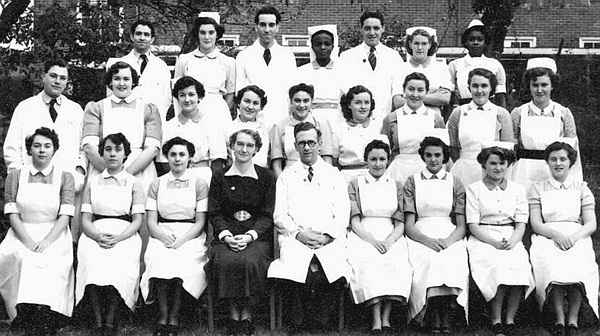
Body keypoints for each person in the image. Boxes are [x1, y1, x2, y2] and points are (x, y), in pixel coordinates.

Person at [268, 122, 350, 332]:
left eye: (311, 142)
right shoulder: (286, 176)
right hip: (297, 237)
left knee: (330, 267)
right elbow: (280, 214)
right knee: (296, 267)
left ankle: (320, 324)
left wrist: (327, 236)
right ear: (295, 145)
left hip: (328, 238)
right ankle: (298, 324)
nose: (306, 147)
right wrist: (299, 234)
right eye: (302, 143)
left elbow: (342, 213)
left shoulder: (334, 174)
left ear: (320, 144)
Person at [0, 127, 75, 335]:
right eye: (37, 146)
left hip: (55, 233)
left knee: (50, 260)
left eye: (47, 146)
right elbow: (12, 213)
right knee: (16, 256)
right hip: (22, 231)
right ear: (29, 150)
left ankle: (45, 316)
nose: (42, 150)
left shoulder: (65, 177)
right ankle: (22, 315)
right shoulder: (15, 176)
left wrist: (47, 241)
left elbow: (65, 215)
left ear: (54, 150)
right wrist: (28, 240)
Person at [3, 59, 86, 240]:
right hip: (33, 184)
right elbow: (11, 147)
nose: (58, 81)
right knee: (31, 236)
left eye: (63, 78)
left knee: (65, 238)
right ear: (43, 77)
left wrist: (78, 173)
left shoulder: (76, 110)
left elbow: (83, 148)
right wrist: (19, 177)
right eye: (53, 76)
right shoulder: (26, 107)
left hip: (67, 182)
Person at [75, 133, 145, 336]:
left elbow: (138, 220)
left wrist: (118, 238)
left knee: (118, 262)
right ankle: (98, 322)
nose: (113, 154)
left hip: (125, 234)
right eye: (108, 149)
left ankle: (111, 319)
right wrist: (96, 236)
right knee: (93, 259)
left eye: (118, 149)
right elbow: (85, 219)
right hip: (95, 232)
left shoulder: (133, 183)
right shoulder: (93, 182)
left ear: (125, 154)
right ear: (102, 153)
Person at [208, 129, 276, 336]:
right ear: (232, 146)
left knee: (249, 260)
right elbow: (215, 212)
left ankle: (246, 314)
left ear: (256, 150)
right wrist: (227, 236)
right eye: (240, 144)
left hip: (256, 237)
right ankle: (232, 314)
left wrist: (249, 236)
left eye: (249, 145)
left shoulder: (266, 177)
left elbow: (267, 214)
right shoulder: (220, 176)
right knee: (227, 260)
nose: (244, 149)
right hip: (227, 235)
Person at [141, 137, 209, 336]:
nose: (177, 159)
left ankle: (176, 315)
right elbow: (151, 221)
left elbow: (200, 221)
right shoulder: (157, 183)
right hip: (162, 233)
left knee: (182, 262)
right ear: (167, 157)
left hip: (191, 235)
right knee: (159, 259)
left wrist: (181, 240)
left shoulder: (199, 183)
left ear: (190, 158)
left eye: (182, 154)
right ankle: (163, 315)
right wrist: (163, 237)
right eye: (173, 154)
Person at [529, 142, 598, 336]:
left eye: (562, 159)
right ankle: (559, 318)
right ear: (547, 162)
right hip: (547, 235)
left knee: (578, 261)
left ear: (571, 162)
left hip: (577, 235)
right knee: (552, 262)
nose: (558, 163)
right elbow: (536, 223)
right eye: (553, 159)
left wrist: (574, 237)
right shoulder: (537, 188)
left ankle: (573, 319)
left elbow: (591, 224)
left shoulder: (581, 188)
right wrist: (556, 236)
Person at [403, 136, 469, 334]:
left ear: (444, 156)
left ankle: (446, 312)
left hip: (449, 233)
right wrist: (428, 241)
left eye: (437, 155)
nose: (433, 160)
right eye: (429, 155)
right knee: (428, 260)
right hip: (420, 233)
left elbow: (461, 225)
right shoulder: (412, 181)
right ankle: (430, 312)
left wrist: (448, 241)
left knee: (452, 257)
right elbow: (409, 225)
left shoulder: (454, 181)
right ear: (422, 156)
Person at [466, 146, 535, 336]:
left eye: (502, 163)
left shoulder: (518, 190)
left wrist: (513, 241)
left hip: (510, 234)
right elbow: (473, 224)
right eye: (493, 163)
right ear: (484, 165)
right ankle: (496, 318)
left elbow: (521, 222)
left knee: (518, 265)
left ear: (509, 165)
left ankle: (510, 319)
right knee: (497, 266)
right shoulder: (474, 189)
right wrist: (494, 243)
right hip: (483, 236)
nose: (497, 168)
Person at [346, 140, 411, 333]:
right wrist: (373, 241)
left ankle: (386, 317)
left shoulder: (396, 185)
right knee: (369, 260)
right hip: (363, 233)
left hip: (391, 233)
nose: (377, 164)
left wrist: (389, 241)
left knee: (395, 259)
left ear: (388, 160)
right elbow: (355, 221)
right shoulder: (355, 183)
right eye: (373, 159)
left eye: (382, 159)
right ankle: (375, 318)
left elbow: (400, 222)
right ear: (366, 161)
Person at [82, 61, 162, 193]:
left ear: (134, 82)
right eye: (117, 78)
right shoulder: (96, 108)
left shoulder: (148, 109)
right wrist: (110, 174)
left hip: (140, 171)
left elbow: (152, 149)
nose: (122, 83)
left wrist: (126, 175)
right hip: (103, 169)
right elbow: (89, 147)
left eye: (126, 79)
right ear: (110, 82)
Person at [511, 57, 582, 190]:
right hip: (523, 173)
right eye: (535, 85)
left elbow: (573, 152)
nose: (539, 90)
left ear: (552, 85)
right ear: (529, 86)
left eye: (544, 85)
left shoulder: (563, 113)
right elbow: (510, 149)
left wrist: (573, 183)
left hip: (554, 172)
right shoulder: (518, 113)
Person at [448, 68, 514, 186]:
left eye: (484, 86)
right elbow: (453, 148)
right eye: (475, 86)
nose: (479, 90)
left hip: (492, 172)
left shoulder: (501, 114)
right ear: (469, 88)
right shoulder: (458, 113)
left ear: (491, 88)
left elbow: (507, 150)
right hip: (464, 171)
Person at [338, 10, 405, 126]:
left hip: (385, 122)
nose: (372, 32)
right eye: (367, 28)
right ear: (361, 29)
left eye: (376, 28)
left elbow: (397, 94)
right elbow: (344, 94)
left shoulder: (394, 57)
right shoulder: (347, 57)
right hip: (355, 123)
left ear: (383, 28)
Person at [235, 5, 297, 127]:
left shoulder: (288, 56)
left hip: (281, 119)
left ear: (278, 27)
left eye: (271, 25)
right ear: (256, 27)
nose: (267, 29)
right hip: (252, 121)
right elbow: (240, 92)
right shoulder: (244, 56)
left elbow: (292, 91)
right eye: (263, 25)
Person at [381, 72, 446, 184]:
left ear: (426, 92)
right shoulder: (391, 118)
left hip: (428, 172)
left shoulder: (436, 118)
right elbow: (384, 151)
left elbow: (443, 151)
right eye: (411, 89)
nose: (415, 94)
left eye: (420, 90)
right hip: (398, 173)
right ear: (404, 91)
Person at [162, 76, 227, 186]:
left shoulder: (211, 124)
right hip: (175, 179)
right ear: (177, 98)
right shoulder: (169, 126)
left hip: (204, 177)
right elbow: (163, 162)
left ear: (199, 97)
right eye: (182, 95)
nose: (187, 99)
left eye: (191, 94)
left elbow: (218, 162)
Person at [174, 15, 235, 130]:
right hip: (190, 111)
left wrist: (220, 113)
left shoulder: (228, 62)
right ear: (197, 34)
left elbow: (230, 94)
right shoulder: (184, 59)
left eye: (211, 32)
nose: (207, 37)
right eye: (202, 32)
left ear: (217, 34)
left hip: (217, 113)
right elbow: (177, 92)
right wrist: (182, 116)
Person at [107, 20, 172, 127]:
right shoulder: (118, 64)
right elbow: (111, 97)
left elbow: (167, 98)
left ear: (152, 39)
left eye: (146, 35)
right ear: (132, 37)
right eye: (138, 34)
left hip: (154, 124)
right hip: (126, 122)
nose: (142, 38)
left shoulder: (162, 66)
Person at [270, 83, 335, 178]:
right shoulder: (279, 126)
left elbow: (327, 158)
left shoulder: (322, 124)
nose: (301, 105)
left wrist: (324, 179)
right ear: (290, 102)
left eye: (306, 101)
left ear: (311, 102)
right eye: (297, 101)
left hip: (317, 174)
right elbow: (276, 163)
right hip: (290, 175)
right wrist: (282, 183)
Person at [334, 85, 388, 182]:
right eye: (358, 103)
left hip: (374, 177)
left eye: (367, 103)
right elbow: (334, 161)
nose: (363, 107)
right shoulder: (339, 129)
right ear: (349, 105)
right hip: (347, 178)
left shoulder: (379, 126)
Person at [448, 19, 507, 107]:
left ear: (485, 43)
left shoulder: (495, 64)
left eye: (480, 39)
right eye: (472, 39)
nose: (476, 42)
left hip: (489, 108)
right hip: (464, 108)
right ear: (466, 42)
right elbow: (451, 92)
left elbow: (500, 93)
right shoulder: (455, 65)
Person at [297, 25, 344, 125]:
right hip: (309, 120)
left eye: (327, 44)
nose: (323, 47)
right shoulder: (301, 72)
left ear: (333, 46)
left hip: (338, 120)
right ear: (312, 47)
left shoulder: (343, 70)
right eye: (318, 44)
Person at [401, 27, 452, 116]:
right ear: (410, 44)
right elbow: (398, 101)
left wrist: (410, 96)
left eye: (424, 44)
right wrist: (433, 95)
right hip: (405, 117)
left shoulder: (441, 68)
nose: (420, 47)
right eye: (416, 43)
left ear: (429, 45)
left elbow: (445, 98)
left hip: (433, 119)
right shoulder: (401, 68)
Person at [228, 85, 270, 168]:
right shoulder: (228, 127)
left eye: (255, 103)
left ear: (260, 107)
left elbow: (263, 161)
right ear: (239, 103)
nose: (250, 107)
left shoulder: (265, 130)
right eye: (247, 101)